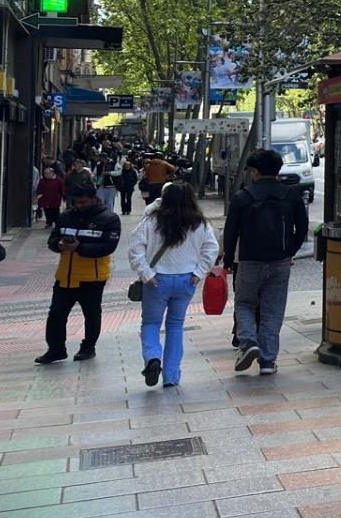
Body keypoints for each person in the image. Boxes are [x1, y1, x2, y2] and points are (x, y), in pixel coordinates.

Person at [224, 149, 309, 378]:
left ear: (256, 172)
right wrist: (289, 252)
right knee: (273, 309)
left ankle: (248, 343)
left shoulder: (242, 197)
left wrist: (229, 260)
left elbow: (231, 232)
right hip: (280, 261)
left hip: (249, 260)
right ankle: (268, 360)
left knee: (244, 303)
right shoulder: (290, 195)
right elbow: (302, 228)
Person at [127, 181, 218, 389]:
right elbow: (211, 248)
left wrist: (146, 273)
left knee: (151, 323)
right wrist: (199, 272)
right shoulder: (200, 223)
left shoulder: (151, 221)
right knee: (175, 326)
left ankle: (152, 357)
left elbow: (135, 248)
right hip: (187, 279)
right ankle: (171, 376)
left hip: (157, 280)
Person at [36, 174, 120, 365]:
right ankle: (56, 349)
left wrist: (79, 248)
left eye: (83, 202)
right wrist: (58, 245)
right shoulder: (66, 217)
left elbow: (108, 247)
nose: (79, 206)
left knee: (91, 314)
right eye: (76, 202)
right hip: (65, 276)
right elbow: (52, 239)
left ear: (93, 198)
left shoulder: (109, 219)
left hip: (92, 278)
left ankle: (88, 347)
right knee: (56, 314)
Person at [34, 163, 63, 227]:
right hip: (46, 199)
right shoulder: (42, 180)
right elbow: (39, 188)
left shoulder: (59, 180)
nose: (45, 175)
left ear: (52, 173)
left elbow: (62, 189)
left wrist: (63, 196)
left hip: (55, 199)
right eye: (45, 173)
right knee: (47, 211)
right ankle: (49, 222)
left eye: (47, 173)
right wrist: (39, 194)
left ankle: (57, 223)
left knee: (55, 211)